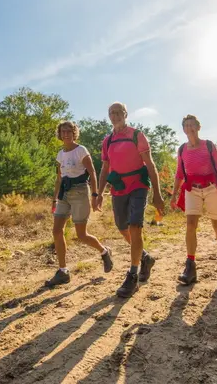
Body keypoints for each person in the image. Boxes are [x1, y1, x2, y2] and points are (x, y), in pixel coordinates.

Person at [96, 102, 165, 298]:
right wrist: (98, 193)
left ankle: (132, 275)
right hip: (118, 188)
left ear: (126, 114)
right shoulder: (107, 141)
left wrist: (157, 195)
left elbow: (150, 165)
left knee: (135, 226)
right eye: (112, 113)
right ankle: (145, 258)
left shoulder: (137, 135)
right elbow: (104, 169)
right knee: (122, 227)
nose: (115, 115)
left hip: (138, 185)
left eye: (119, 112)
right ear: (109, 116)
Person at [170, 115, 217, 285]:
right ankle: (190, 267)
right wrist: (174, 195)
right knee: (190, 225)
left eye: (192, 125)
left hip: (211, 187)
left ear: (198, 127)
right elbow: (179, 173)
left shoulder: (208, 145)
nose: (189, 127)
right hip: (192, 189)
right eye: (186, 125)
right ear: (183, 129)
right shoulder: (182, 149)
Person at [45, 121, 113, 287]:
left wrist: (95, 195)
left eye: (69, 131)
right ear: (59, 134)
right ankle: (63, 271)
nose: (66, 134)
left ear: (74, 133)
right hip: (64, 194)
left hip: (80, 192)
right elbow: (59, 178)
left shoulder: (81, 150)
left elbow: (92, 172)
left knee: (81, 235)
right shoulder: (60, 154)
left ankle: (104, 252)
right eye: (63, 131)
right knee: (56, 231)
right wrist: (55, 198)